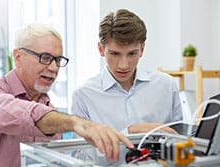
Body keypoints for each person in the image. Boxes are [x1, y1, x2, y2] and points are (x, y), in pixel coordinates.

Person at [0, 23, 134, 167]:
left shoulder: (50, 111)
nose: (53, 68)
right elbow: (13, 111)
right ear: (18, 57)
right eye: (45, 57)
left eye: (58, 60)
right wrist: (76, 123)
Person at [72, 9, 182, 137]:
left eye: (132, 54)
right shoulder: (83, 96)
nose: (123, 65)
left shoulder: (167, 86)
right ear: (101, 49)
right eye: (115, 54)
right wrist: (128, 133)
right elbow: (79, 154)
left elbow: (180, 140)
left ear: (142, 49)